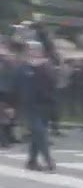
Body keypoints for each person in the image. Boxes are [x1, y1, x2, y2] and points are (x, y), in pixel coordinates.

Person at [12, 41, 57, 171]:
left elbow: (53, 83)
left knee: (37, 134)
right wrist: (11, 105)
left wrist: (42, 68)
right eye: (31, 50)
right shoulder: (22, 68)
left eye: (36, 50)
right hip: (28, 105)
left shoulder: (47, 67)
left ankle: (31, 161)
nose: (34, 52)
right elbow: (15, 87)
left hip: (45, 104)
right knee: (40, 132)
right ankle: (48, 159)